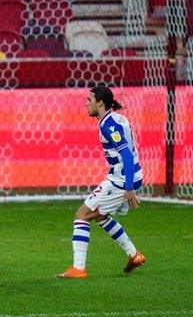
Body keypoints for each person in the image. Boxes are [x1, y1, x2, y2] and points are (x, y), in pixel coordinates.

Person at [57, 85, 146, 279]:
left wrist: (129, 187)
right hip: (123, 176)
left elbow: (126, 155)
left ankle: (78, 269)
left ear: (100, 102)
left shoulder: (109, 126)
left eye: (89, 100)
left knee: (82, 215)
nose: (86, 103)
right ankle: (134, 254)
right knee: (99, 215)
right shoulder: (115, 119)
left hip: (121, 180)